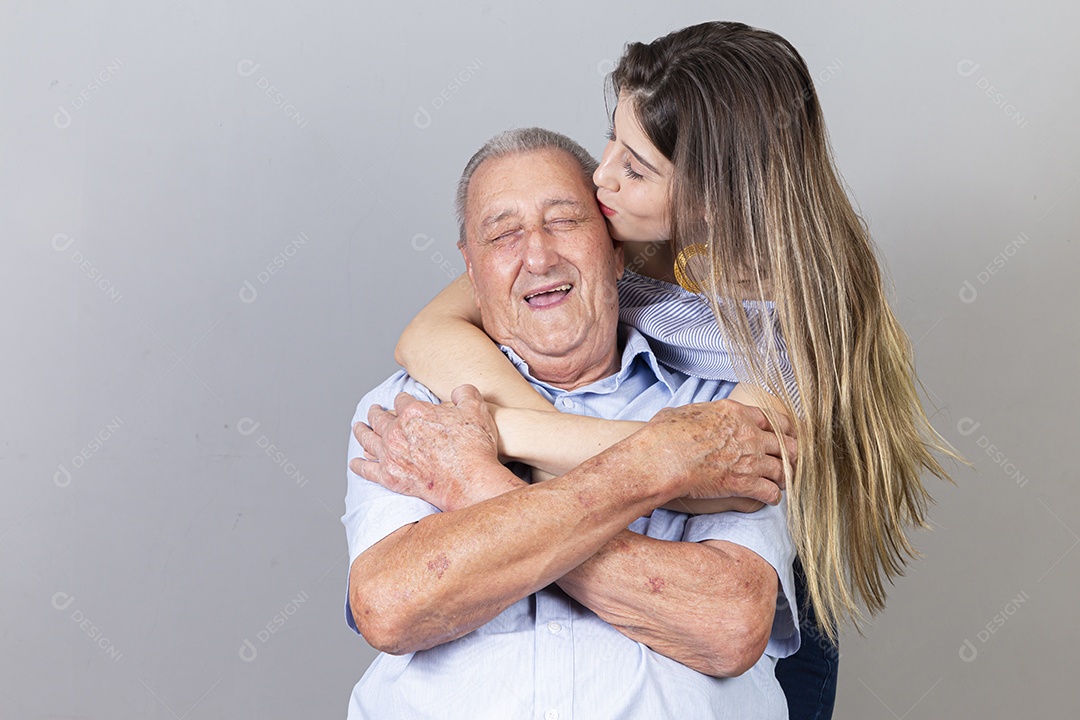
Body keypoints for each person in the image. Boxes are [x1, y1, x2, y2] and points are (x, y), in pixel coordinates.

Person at [394, 21, 962, 719]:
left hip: (779, 568)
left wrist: (491, 448)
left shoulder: (806, 309)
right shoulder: (618, 228)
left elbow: (720, 476)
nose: (601, 176)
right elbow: (428, 332)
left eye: (637, 168)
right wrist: (539, 436)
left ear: (712, 198)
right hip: (645, 466)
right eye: (614, 139)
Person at [343, 128, 801, 719]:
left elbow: (727, 622)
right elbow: (393, 604)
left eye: (564, 222)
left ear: (615, 248)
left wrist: (476, 486)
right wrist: (657, 463)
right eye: (503, 234)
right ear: (471, 271)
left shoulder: (724, 415)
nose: (538, 256)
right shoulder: (416, 410)